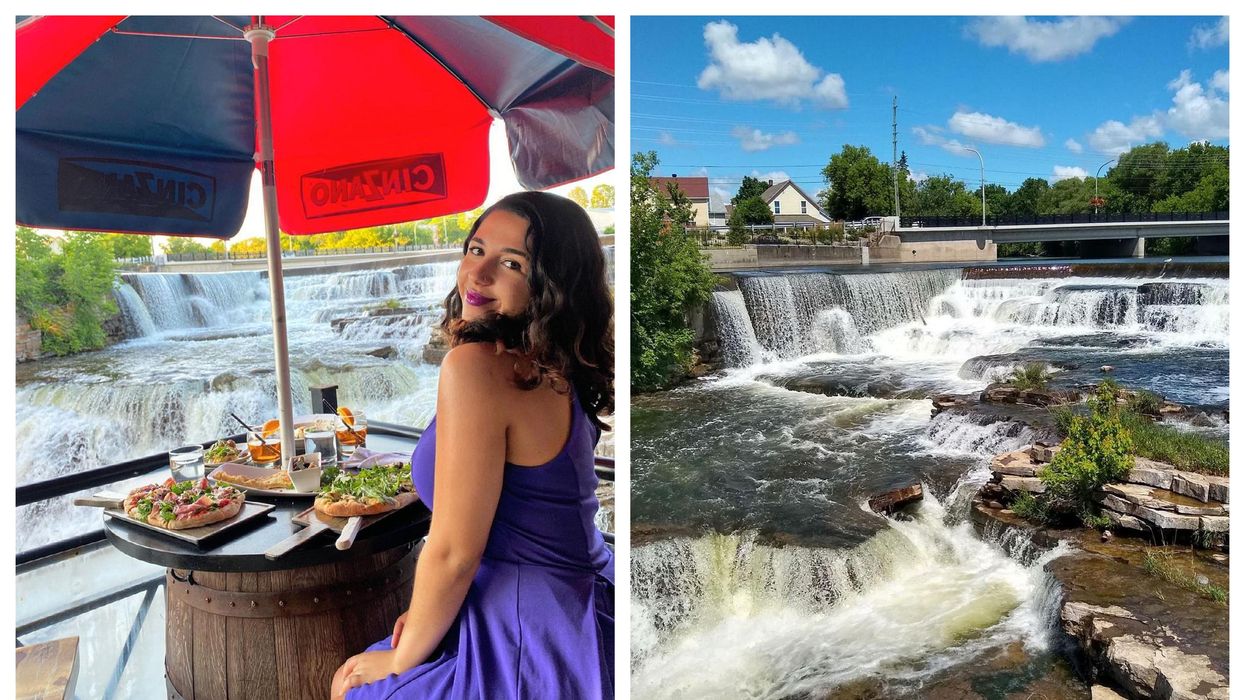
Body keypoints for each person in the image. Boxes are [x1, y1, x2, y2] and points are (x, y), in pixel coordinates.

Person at [332, 191, 614, 699]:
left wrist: (404, 655)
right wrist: (424, 619)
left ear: (552, 284)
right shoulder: (558, 364)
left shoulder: (476, 368)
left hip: (527, 628)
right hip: (584, 603)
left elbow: (456, 553)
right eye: (475, 248)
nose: (477, 275)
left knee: (352, 686)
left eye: (511, 263)